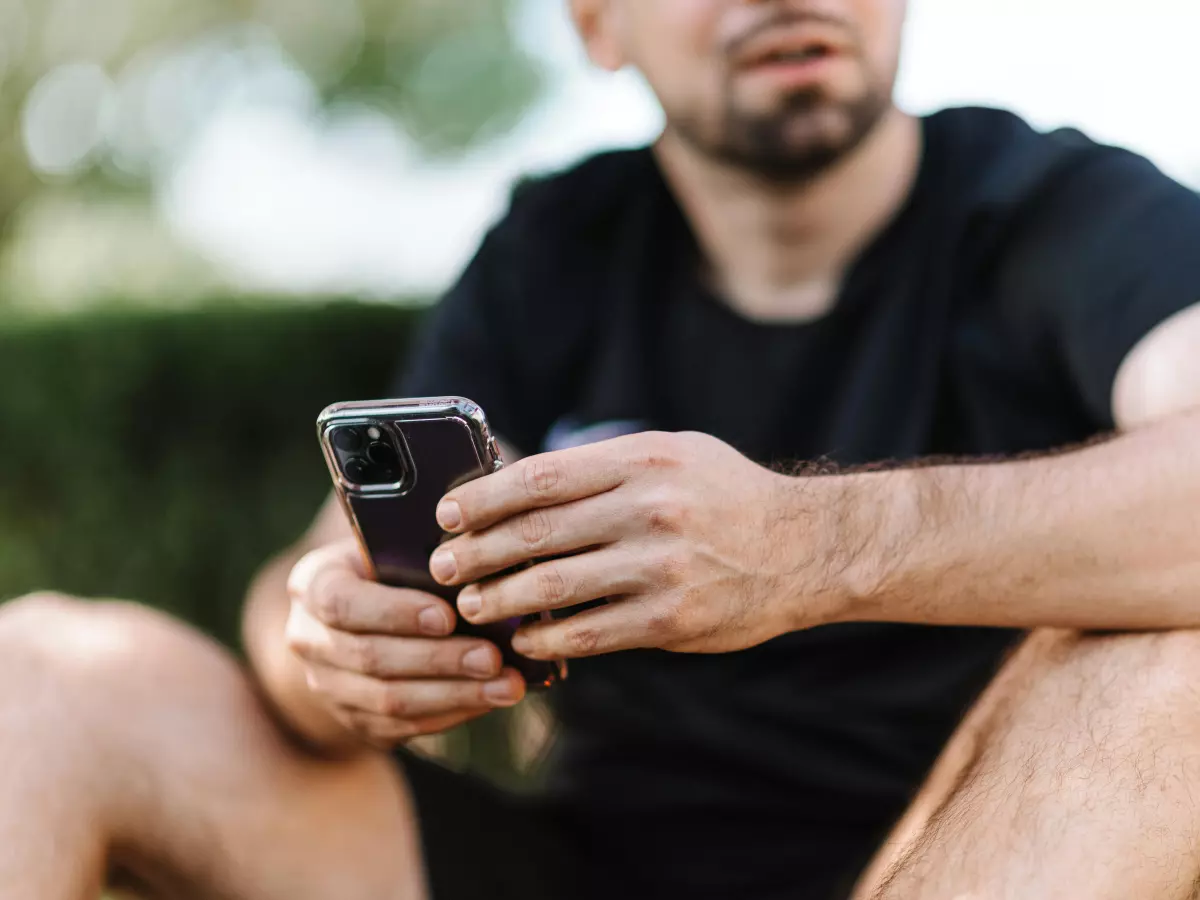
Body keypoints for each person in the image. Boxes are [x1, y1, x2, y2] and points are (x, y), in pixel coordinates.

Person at [4, 0, 1200, 897]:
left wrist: (813, 544)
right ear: (597, 23)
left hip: (1007, 849)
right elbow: (318, 583)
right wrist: (321, 643)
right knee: (46, 671)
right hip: (584, 866)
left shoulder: (1060, 211)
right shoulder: (557, 247)